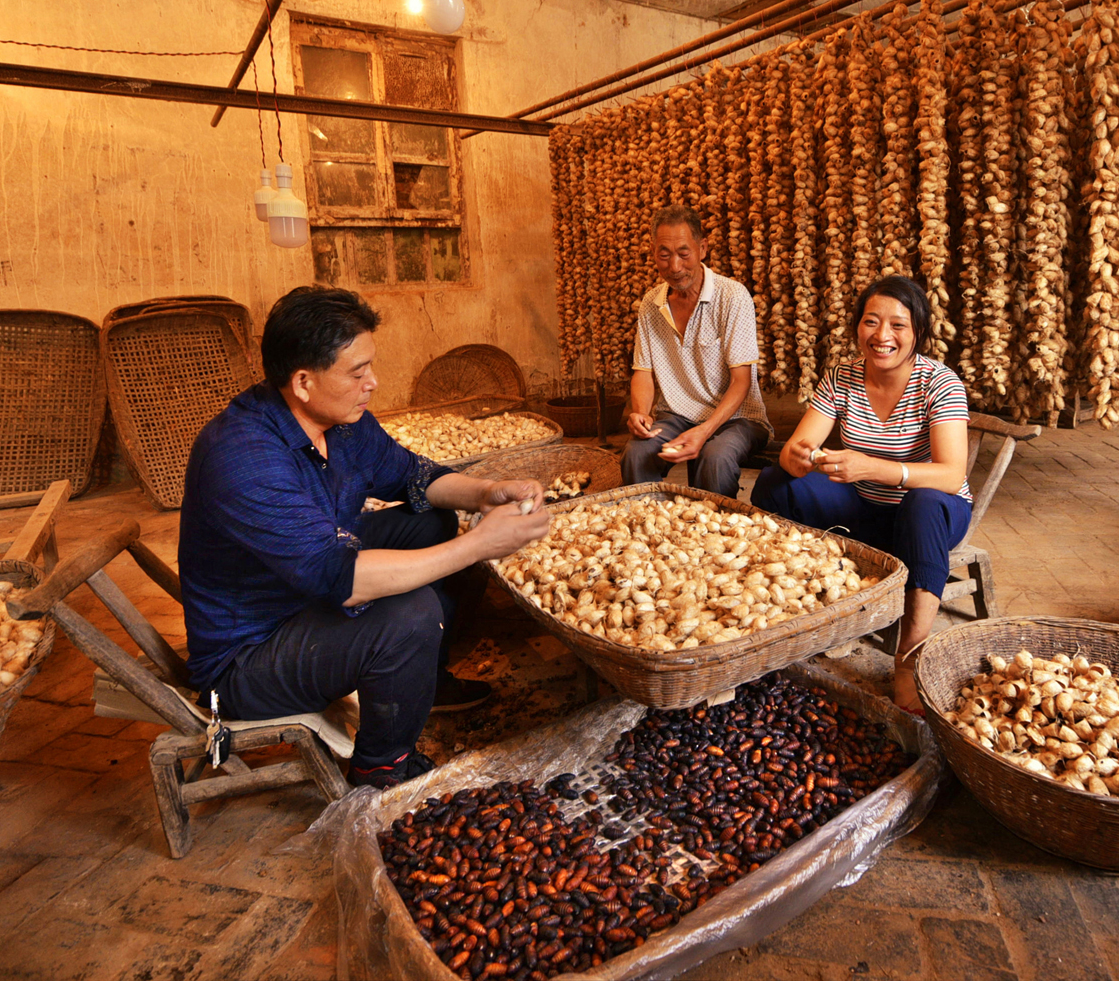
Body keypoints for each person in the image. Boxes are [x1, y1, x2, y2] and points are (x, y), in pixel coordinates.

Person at [178, 286, 550, 789]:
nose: (372, 383)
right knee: (411, 614)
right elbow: (342, 580)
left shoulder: (341, 424)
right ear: (304, 381)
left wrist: (486, 493)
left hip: (309, 580)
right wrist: (480, 544)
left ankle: (427, 681)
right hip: (251, 656)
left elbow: (414, 476)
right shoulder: (243, 457)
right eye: (357, 373)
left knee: (430, 522)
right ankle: (381, 766)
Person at [751, 276, 971, 713]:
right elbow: (801, 446)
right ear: (857, 327)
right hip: (864, 511)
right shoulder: (842, 376)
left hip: (932, 514)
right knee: (777, 482)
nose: (882, 336)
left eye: (898, 325)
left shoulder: (939, 383)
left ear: (919, 332)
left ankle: (909, 657)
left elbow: (950, 474)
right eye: (871, 322)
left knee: (922, 503)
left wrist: (872, 468)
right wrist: (799, 458)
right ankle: (795, 603)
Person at [621, 205, 771, 498]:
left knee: (715, 457)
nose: (674, 266)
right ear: (653, 253)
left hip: (738, 417)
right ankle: (648, 530)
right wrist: (640, 414)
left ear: (702, 249)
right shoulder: (651, 304)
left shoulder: (732, 296)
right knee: (636, 453)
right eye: (664, 254)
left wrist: (704, 431)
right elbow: (643, 372)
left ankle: (713, 538)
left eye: (683, 253)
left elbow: (741, 381)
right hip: (677, 415)